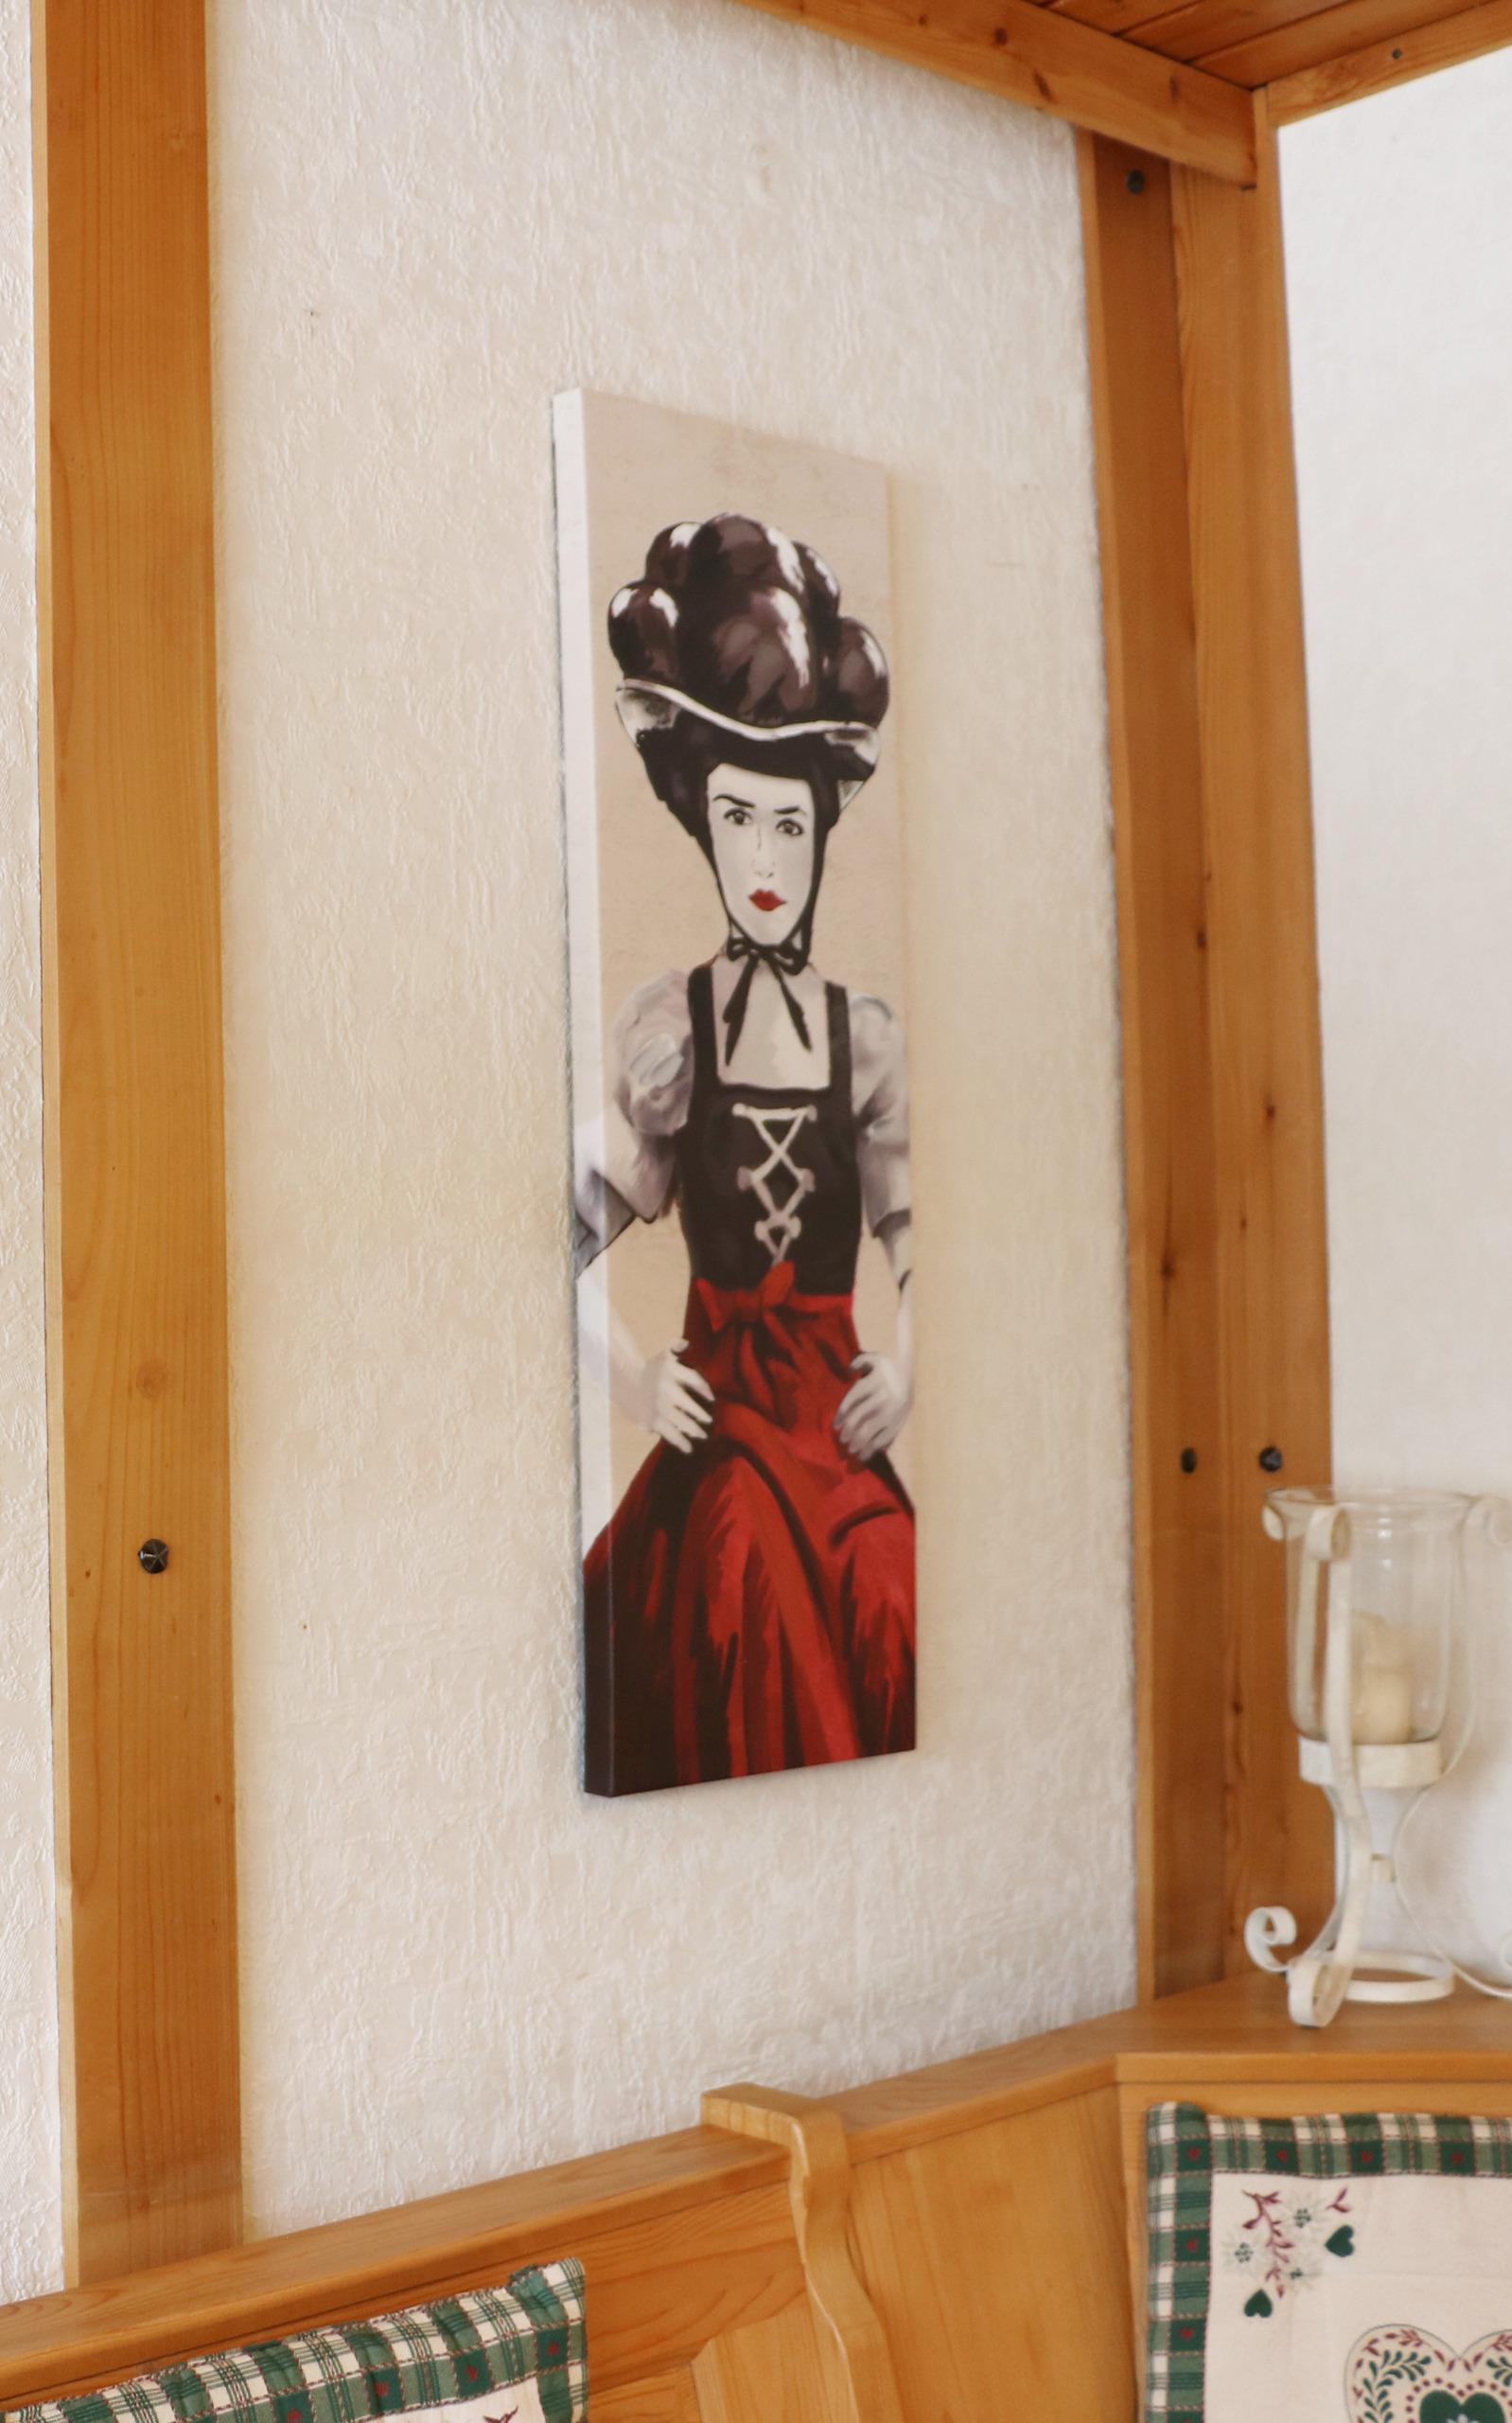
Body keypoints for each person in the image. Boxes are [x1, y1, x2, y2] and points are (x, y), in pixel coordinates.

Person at [575, 512, 914, 1795]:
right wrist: (634, 1377)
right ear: (700, 824)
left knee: (891, 1591)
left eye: (788, 826)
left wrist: (912, 1367)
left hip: (839, 1434)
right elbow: (553, 1242)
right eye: (737, 822)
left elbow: (921, 1241)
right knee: (742, 1574)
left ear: (822, 830)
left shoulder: (862, 1040)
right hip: (724, 1443)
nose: (764, 861)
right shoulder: (676, 1036)